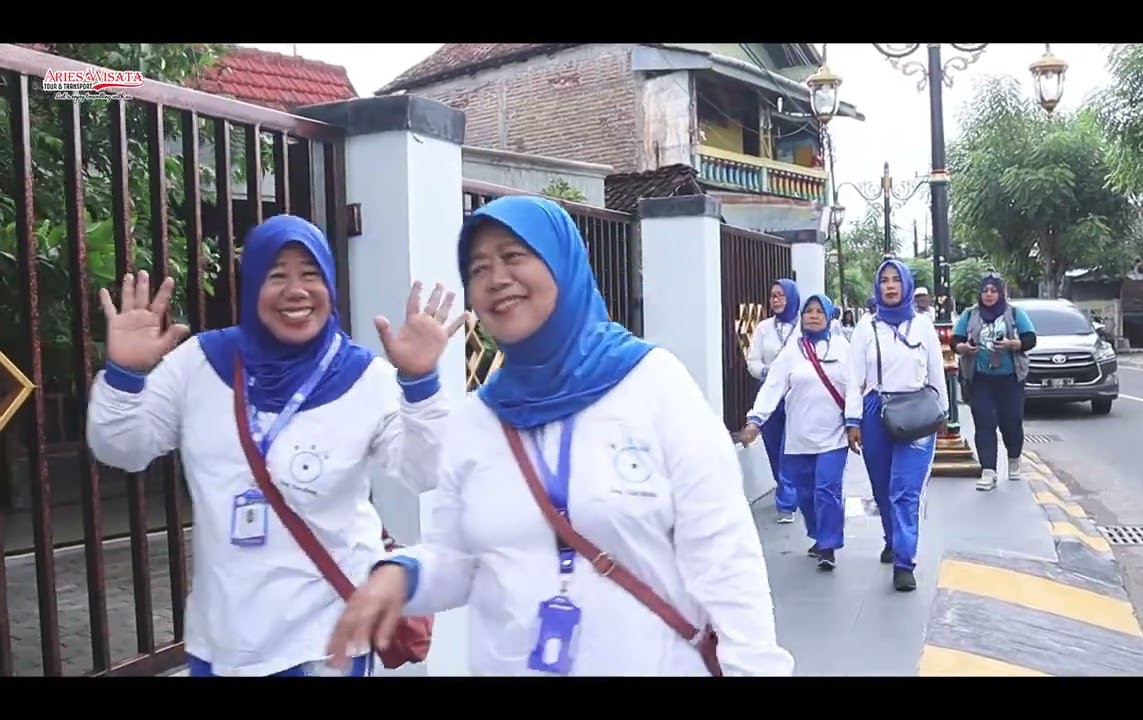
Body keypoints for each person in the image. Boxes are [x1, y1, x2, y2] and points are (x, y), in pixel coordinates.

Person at [324, 195, 793, 677]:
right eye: (479, 267)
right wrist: (401, 575)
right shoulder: (478, 420)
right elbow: (459, 557)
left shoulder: (654, 384)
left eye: (514, 256)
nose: (496, 278)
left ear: (561, 262)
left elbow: (724, 554)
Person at [85, 214, 464, 677]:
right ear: (251, 287)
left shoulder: (364, 377)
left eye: (310, 274)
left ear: (329, 284)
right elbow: (121, 448)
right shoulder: (201, 365)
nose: (296, 290)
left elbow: (427, 471)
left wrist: (421, 384)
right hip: (221, 642)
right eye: (277, 274)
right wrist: (124, 375)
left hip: (325, 644)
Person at [845, 259, 947, 592]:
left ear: (905, 285)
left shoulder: (923, 326)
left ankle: (905, 561)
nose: (890, 286)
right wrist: (853, 420)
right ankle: (891, 537)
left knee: (905, 490)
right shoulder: (865, 327)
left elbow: (936, 372)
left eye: (896, 280)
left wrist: (942, 414)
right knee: (882, 487)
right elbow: (854, 379)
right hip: (876, 410)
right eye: (884, 280)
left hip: (916, 412)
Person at [741, 294, 850, 572]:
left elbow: (855, 388)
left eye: (819, 311)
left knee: (827, 490)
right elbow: (773, 386)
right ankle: (816, 533)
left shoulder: (841, 348)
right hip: (799, 437)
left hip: (833, 436)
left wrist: (855, 422)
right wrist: (756, 420)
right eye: (808, 312)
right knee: (805, 493)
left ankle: (828, 546)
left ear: (828, 316)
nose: (813, 316)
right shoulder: (792, 352)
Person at [951, 271, 1036, 491]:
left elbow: (1030, 340)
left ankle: (1014, 460)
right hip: (980, 378)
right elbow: (955, 342)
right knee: (984, 422)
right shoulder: (970, 315)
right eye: (985, 291)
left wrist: (1011, 344)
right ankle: (988, 470)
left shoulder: (1015, 313)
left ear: (1001, 293)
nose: (989, 295)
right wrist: (965, 348)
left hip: (1010, 378)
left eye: (994, 291)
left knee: (1011, 421)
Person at [745, 278, 801, 524]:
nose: (776, 300)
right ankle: (786, 486)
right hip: (769, 393)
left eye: (781, 295)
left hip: (797, 394)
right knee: (774, 446)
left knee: (790, 446)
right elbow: (752, 360)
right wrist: (769, 373)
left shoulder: (804, 325)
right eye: (773, 296)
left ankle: (787, 501)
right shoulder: (763, 328)